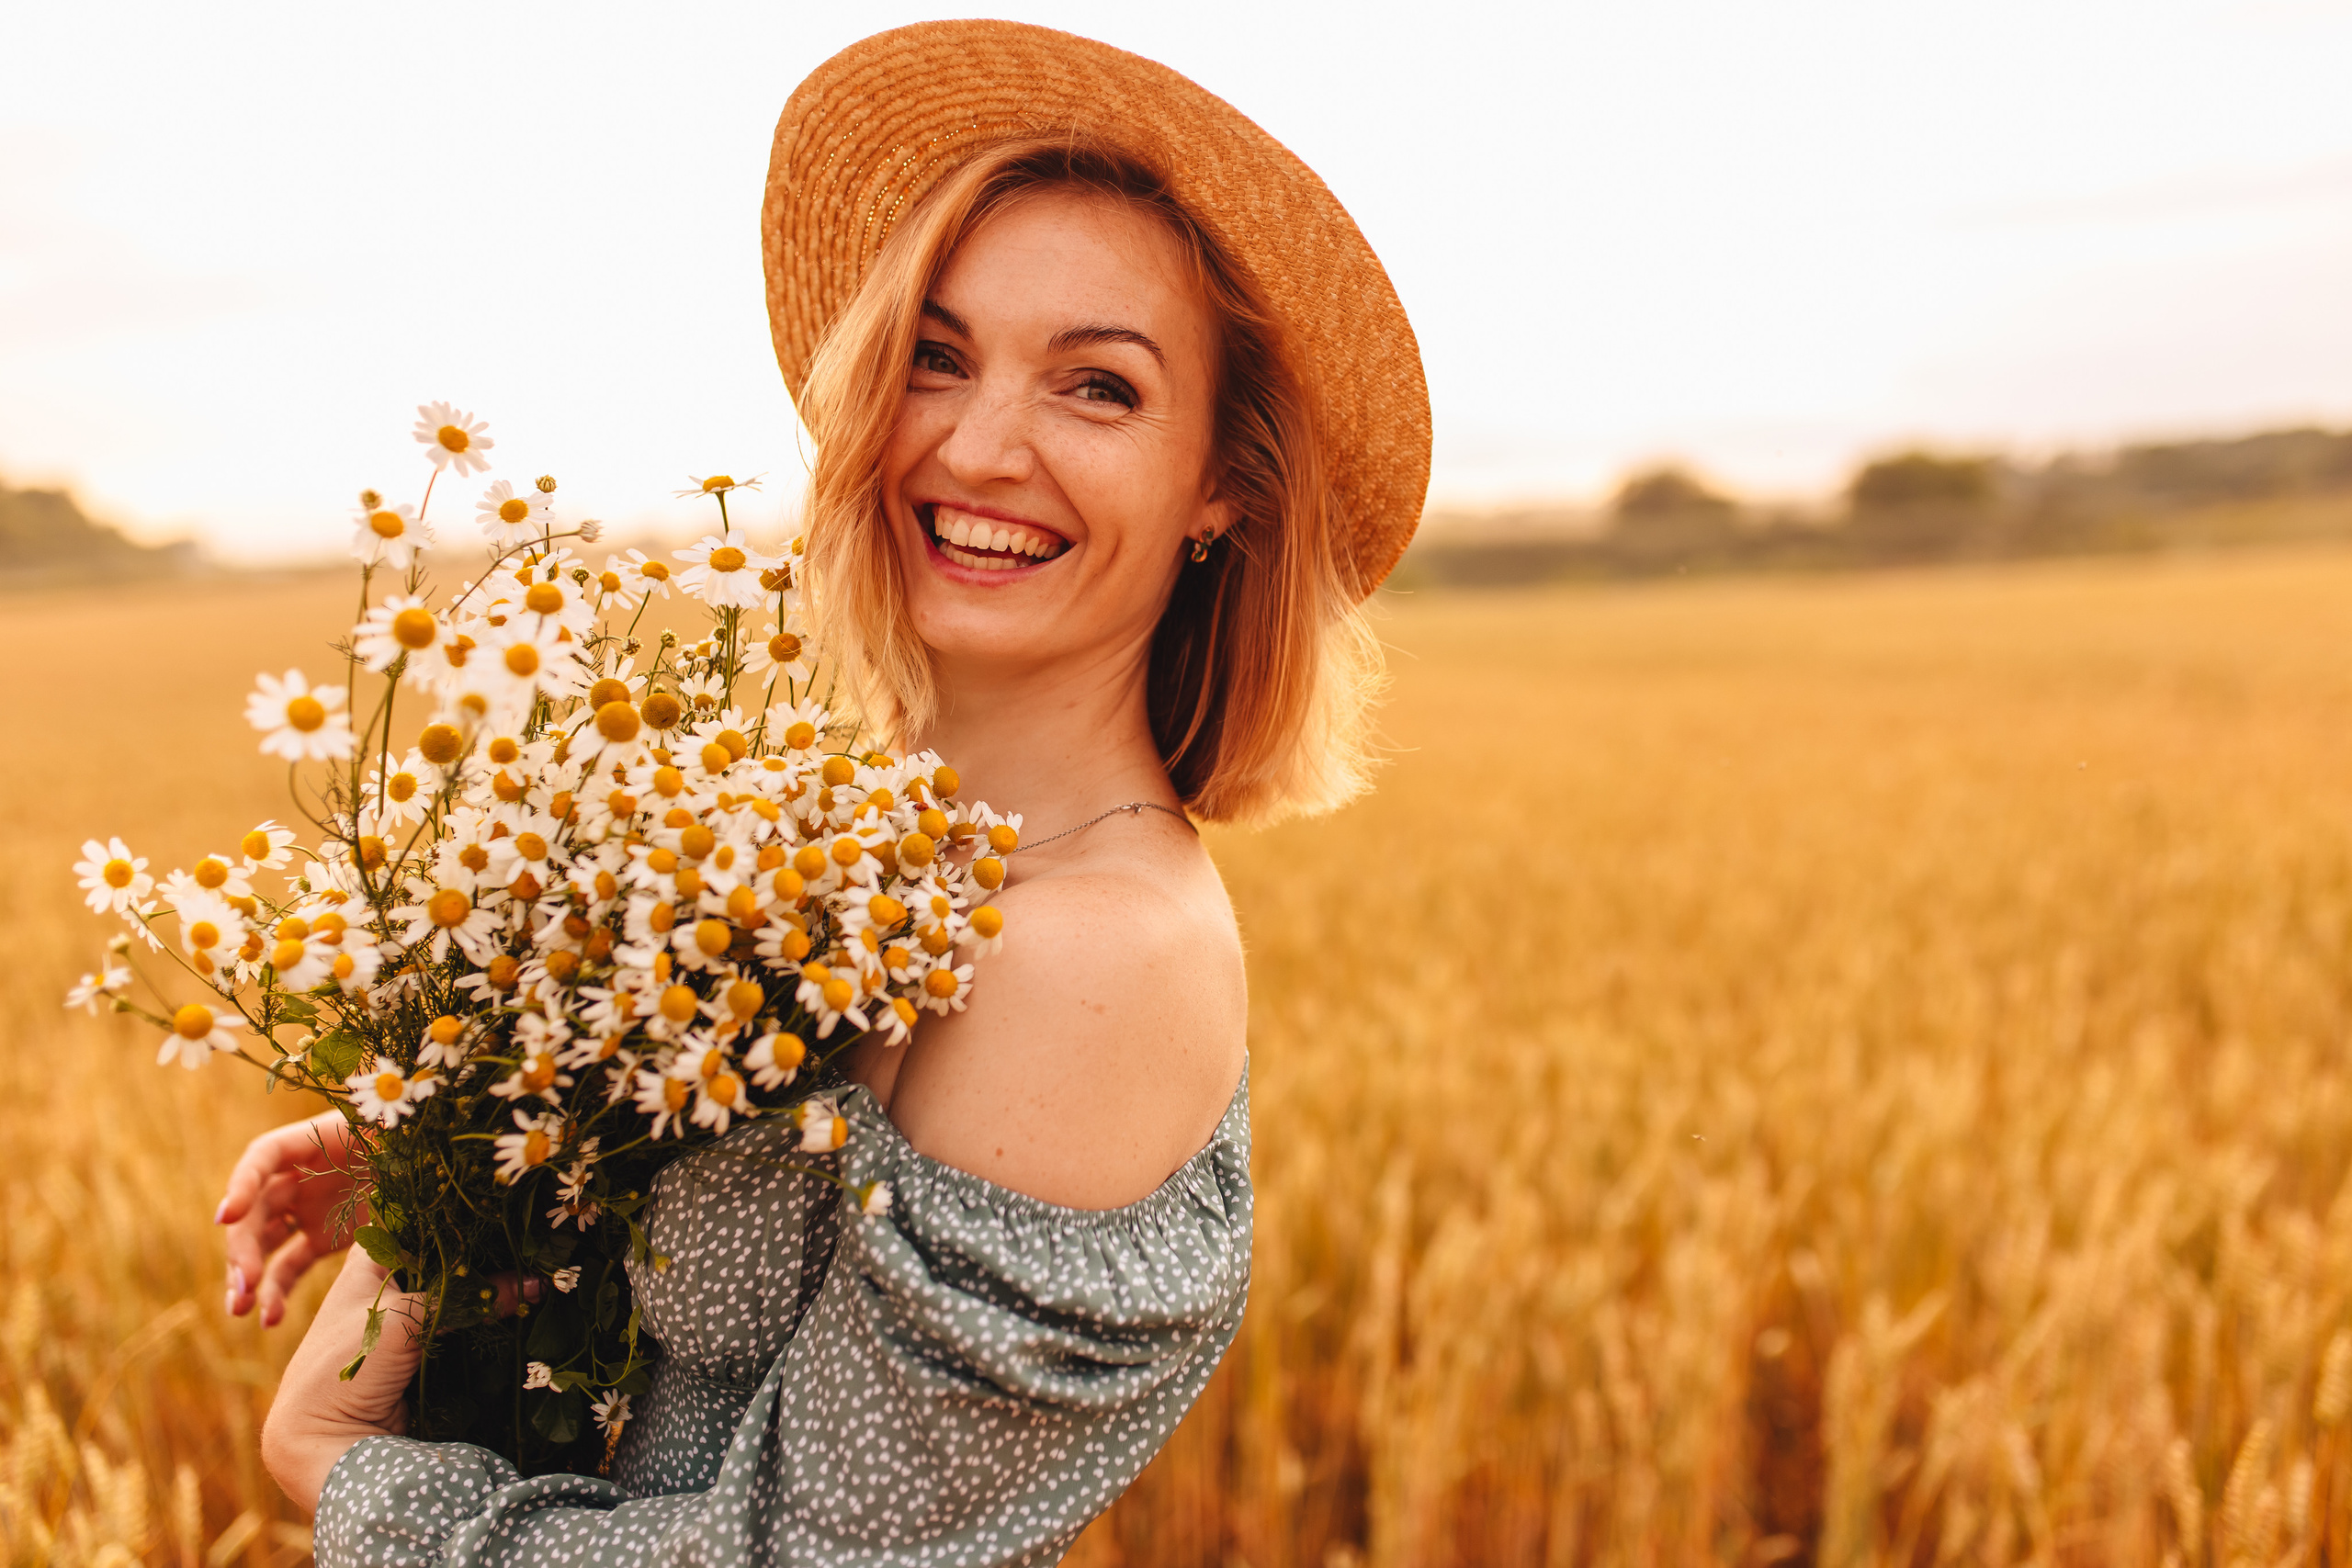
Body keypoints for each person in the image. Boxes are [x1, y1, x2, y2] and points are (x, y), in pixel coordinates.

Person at [218, 21, 1429, 1565]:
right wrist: (468, 1144)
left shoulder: (1099, 956)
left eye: (1099, 389)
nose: (982, 447)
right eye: (939, 355)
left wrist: (340, 1468)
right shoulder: (824, 862)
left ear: (1223, 485)